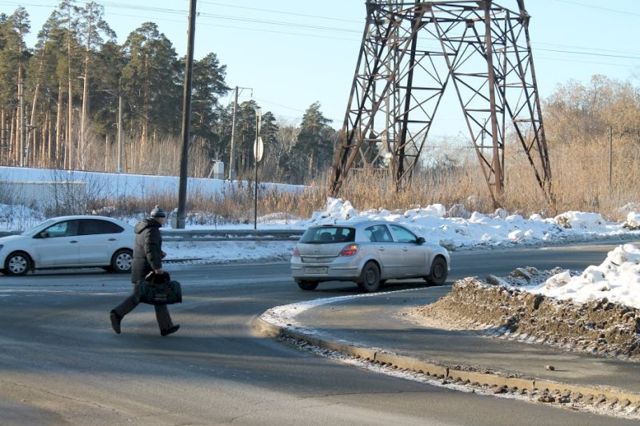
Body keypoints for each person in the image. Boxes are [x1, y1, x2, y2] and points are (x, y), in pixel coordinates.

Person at [110, 206, 180, 336]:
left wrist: (160, 253)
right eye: (163, 218)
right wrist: (157, 267)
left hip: (140, 266)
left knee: (159, 296)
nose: (164, 220)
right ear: (159, 218)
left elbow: (147, 247)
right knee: (140, 296)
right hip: (146, 269)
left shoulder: (143, 228)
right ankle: (116, 314)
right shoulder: (152, 230)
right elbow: (150, 249)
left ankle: (166, 326)